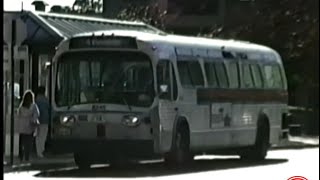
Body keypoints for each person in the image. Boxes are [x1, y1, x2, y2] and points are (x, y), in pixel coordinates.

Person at [16, 90, 40, 162]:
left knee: (22, 142)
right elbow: (37, 114)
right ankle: (27, 156)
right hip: (29, 126)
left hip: (21, 126)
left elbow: (18, 114)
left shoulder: (21, 106)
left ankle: (21, 156)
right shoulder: (33, 106)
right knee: (28, 142)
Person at [35, 86, 50, 158]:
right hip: (45, 120)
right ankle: (41, 150)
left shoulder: (36, 100)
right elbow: (50, 109)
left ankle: (39, 151)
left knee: (38, 136)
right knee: (43, 136)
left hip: (38, 120)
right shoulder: (46, 100)